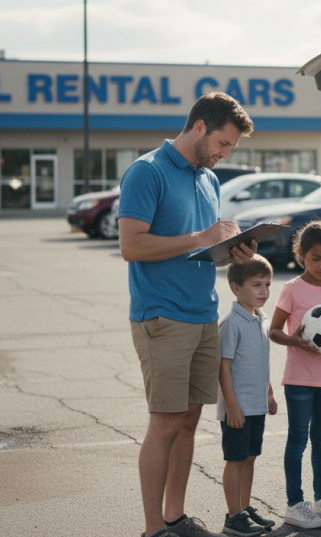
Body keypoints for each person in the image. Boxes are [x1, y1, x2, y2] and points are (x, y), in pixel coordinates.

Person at [118, 92, 256, 537]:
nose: (226, 153)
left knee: (190, 420)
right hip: (162, 316)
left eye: (231, 146)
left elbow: (201, 248)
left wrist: (232, 252)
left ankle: (175, 518)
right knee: (165, 424)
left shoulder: (208, 179)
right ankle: (153, 530)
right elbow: (131, 245)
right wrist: (201, 236)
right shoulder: (147, 172)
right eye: (223, 143)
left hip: (203, 314)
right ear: (199, 127)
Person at [268, 220, 321, 530]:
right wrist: (295, 341)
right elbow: (274, 330)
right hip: (299, 379)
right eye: (316, 258)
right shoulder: (292, 288)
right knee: (297, 440)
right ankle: (294, 504)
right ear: (301, 254)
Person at [217, 254, 278, 537]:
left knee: (250, 457)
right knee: (236, 459)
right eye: (256, 285)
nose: (264, 291)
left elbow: (261, 362)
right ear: (236, 288)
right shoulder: (232, 323)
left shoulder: (260, 319)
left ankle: (244, 507)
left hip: (256, 405)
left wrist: (269, 393)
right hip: (238, 408)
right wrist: (231, 405)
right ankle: (233, 517)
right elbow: (223, 366)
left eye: (267, 284)